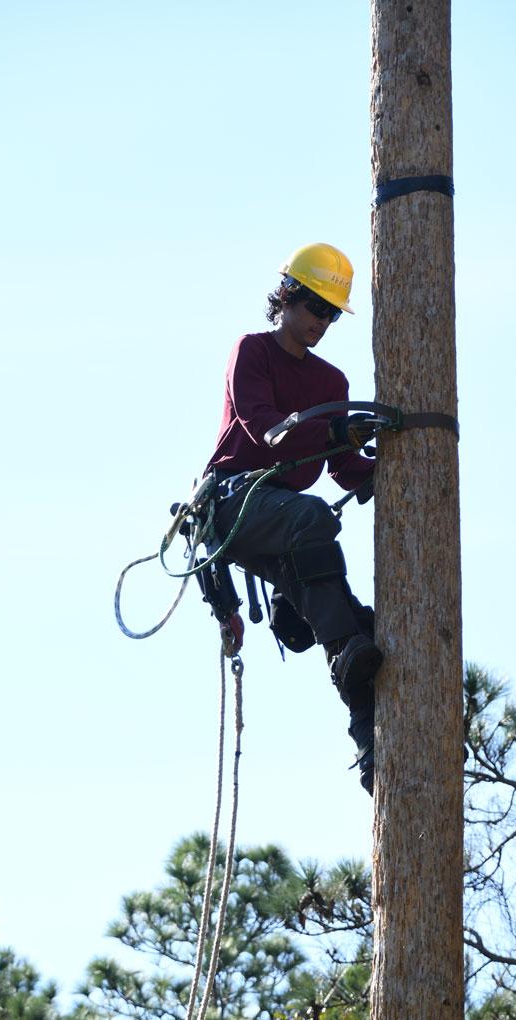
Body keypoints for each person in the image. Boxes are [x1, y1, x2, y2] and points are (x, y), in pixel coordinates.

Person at [205, 242, 381, 794]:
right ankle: (324, 632)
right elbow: (266, 430)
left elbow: (345, 469)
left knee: (351, 624)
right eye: (314, 308)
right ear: (286, 298)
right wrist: (331, 431)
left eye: (331, 314)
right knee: (310, 519)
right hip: (236, 504)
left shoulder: (332, 384)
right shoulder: (252, 352)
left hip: (285, 526)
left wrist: (387, 463)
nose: (321, 323)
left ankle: (367, 732)